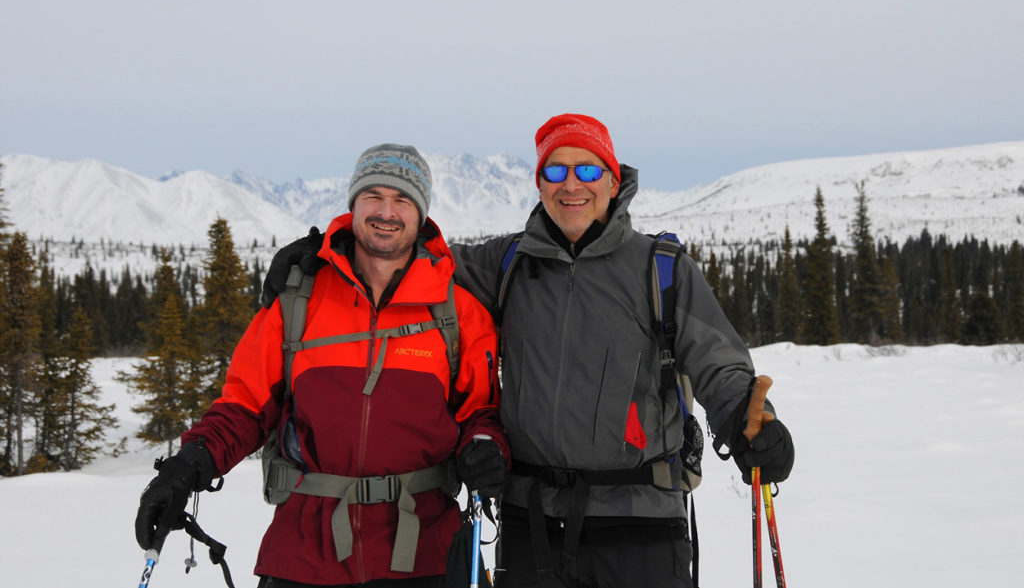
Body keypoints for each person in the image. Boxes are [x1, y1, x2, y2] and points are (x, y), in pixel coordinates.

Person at [263, 116, 795, 588]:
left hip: (641, 524)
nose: (571, 185)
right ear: (539, 183)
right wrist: (321, 252)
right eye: (555, 171)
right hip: (529, 519)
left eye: (587, 171)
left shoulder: (662, 270)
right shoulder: (507, 263)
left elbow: (720, 363)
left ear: (614, 180)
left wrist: (752, 423)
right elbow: (408, 256)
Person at [135, 144, 510, 588]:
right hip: (306, 551)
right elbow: (244, 407)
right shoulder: (299, 302)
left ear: (421, 214)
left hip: (424, 550)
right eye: (373, 196)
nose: (386, 212)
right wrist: (188, 467)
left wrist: (486, 448)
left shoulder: (456, 313)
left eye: (403, 199)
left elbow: (480, 414)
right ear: (353, 204)